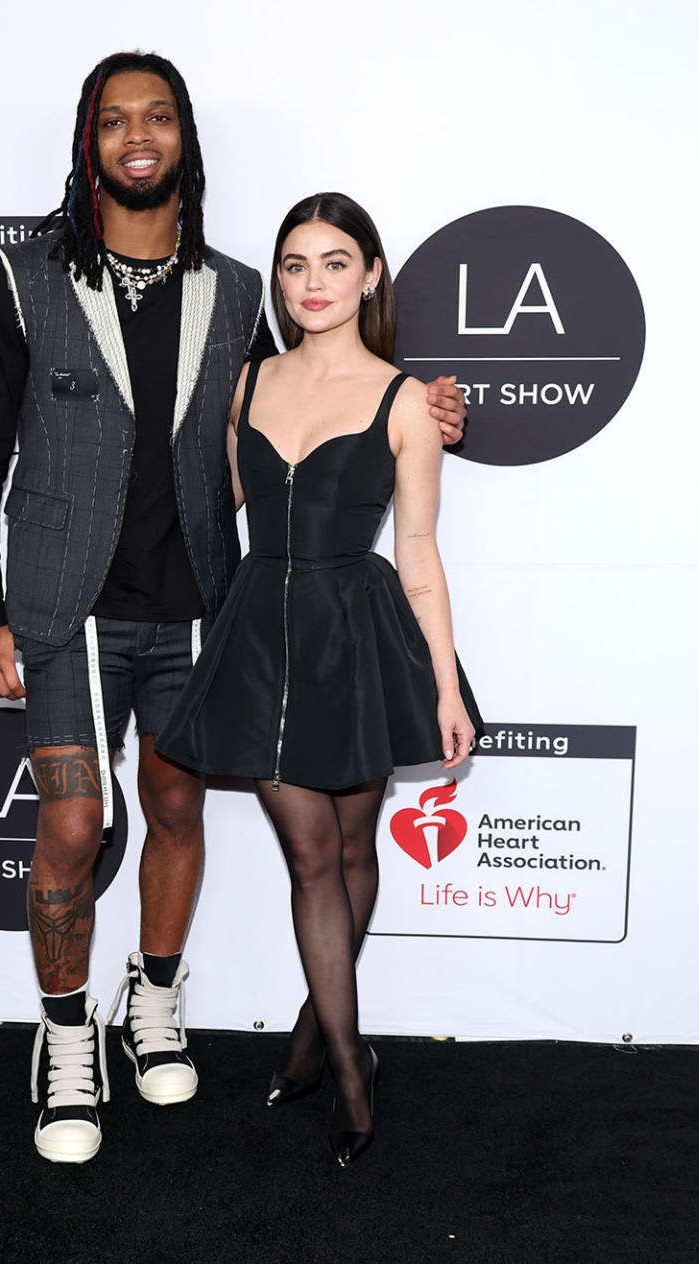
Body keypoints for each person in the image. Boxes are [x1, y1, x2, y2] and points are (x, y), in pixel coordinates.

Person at [0, 53, 467, 1165]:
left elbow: (320, 399)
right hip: (62, 606)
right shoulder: (20, 277)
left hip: (202, 607)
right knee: (78, 823)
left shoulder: (235, 291)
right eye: (114, 119)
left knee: (178, 812)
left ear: (186, 140)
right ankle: (66, 1038)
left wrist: (430, 402)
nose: (138, 135)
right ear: (88, 143)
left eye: (159, 116)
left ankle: (159, 995)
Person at [157, 192, 482, 1167]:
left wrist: (445, 688)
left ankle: (310, 1023)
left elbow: (418, 551)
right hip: (259, 634)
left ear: (371, 274)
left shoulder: (410, 399)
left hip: (358, 632)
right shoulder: (244, 383)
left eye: (336, 263)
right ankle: (349, 1067)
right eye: (295, 264)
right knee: (312, 856)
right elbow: (227, 514)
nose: (313, 283)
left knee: (352, 844)